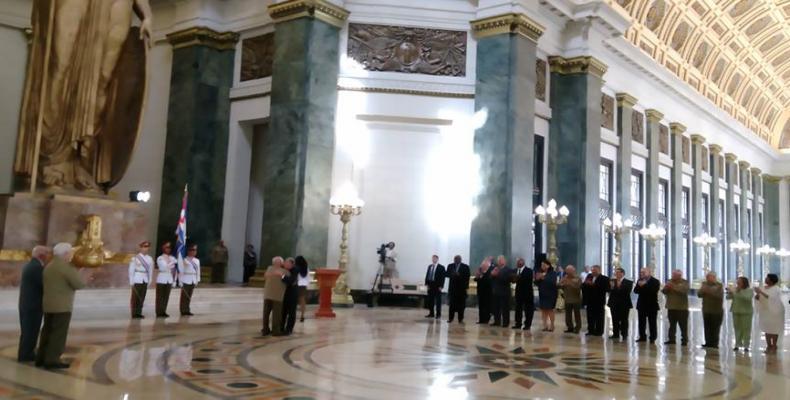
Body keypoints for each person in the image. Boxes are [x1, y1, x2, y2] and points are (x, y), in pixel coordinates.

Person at [36, 243, 85, 369]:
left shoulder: (50, 265)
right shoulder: (65, 267)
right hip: (62, 306)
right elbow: (78, 284)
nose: (70, 255)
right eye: (70, 253)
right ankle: (52, 359)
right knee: (58, 334)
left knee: (47, 331)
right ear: (65, 254)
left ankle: (41, 357)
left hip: (48, 304)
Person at [18, 246, 50, 362]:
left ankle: (25, 353)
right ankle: (26, 355)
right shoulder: (36, 268)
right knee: (30, 331)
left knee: (27, 331)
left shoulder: (30, 265)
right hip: (33, 305)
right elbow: (45, 284)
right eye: (47, 253)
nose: (48, 256)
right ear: (41, 255)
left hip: (27, 304)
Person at [754, 273, 785, 354]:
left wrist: (760, 292)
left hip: (775, 312)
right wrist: (757, 295)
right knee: (767, 328)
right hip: (765, 311)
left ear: (771, 280)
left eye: (767, 278)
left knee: (774, 329)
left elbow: (771, 297)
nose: (765, 279)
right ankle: (769, 345)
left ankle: (774, 345)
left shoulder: (776, 288)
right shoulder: (763, 288)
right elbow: (759, 298)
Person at [262, 257, 289, 336]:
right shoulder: (269, 268)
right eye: (275, 262)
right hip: (268, 294)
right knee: (266, 313)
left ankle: (276, 331)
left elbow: (288, 280)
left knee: (276, 315)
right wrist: (274, 273)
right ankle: (265, 329)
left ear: (281, 263)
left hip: (278, 295)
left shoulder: (285, 271)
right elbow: (266, 275)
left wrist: (281, 275)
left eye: (278, 262)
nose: (276, 263)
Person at [661, 269, 689, 345]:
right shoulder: (669, 281)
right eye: (672, 274)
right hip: (671, 307)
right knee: (672, 325)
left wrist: (673, 287)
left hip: (682, 308)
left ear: (679, 276)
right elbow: (663, 291)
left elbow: (684, 291)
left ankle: (684, 340)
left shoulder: (684, 282)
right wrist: (666, 287)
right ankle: (671, 339)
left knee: (683, 325)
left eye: (674, 275)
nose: (672, 276)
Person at [726, 276, 753, 352]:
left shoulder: (749, 290)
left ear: (744, 283)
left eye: (739, 282)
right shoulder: (735, 289)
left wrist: (738, 291)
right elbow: (727, 297)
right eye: (737, 281)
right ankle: (737, 344)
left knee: (746, 329)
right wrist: (730, 292)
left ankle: (746, 346)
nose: (737, 283)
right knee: (737, 328)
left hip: (746, 312)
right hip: (736, 311)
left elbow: (747, 298)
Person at [633, 267, 660, 343]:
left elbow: (653, 291)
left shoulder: (655, 281)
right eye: (641, 272)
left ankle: (652, 338)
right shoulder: (639, 280)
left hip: (652, 305)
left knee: (652, 323)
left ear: (649, 273)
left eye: (643, 272)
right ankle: (642, 337)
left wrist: (645, 285)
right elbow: (635, 291)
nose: (641, 274)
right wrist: (640, 286)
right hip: (641, 305)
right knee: (641, 322)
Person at [697, 271, 724, 349]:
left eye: (709, 277)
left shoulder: (719, 285)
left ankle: (715, 343)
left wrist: (708, 291)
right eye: (707, 277)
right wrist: (703, 290)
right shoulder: (704, 284)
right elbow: (699, 294)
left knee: (715, 327)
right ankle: (708, 342)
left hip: (716, 310)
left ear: (714, 278)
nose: (707, 279)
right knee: (707, 327)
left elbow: (718, 295)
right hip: (706, 310)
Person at [128, 241, 154, 319]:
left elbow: (150, 270)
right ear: (141, 248)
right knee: (135, 297)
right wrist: (131, 281)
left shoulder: (150, 259)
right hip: (137, 278)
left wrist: (150, 280)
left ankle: (139, 312)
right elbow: (131, 270)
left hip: (145, 279)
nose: (146, 248)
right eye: (144, 247)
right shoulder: (135, 258)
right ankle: (134, 313)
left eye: (147, 247)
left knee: (142, 297)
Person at [582, 265, 609, 336]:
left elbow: (606, 289)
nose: (593, 272)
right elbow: (584, 286)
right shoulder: (589, 276)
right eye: (592, 270)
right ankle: (591, 330)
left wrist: (593, 285)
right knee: (590, 316)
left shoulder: (604, 278)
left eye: (595, 270)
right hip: (590, 300)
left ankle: (599, 331)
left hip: (599, 300)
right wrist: (585, 284)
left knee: (599, 316)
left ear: (599, 270)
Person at [607, 267, 633, 341]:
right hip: (614, 303)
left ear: (622, 273)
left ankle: (624, 334)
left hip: (624, 304)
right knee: (615, 319)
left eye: (618, 272)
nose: (616, 274)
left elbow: (627, 292)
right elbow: (608, 290)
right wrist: (611, 287)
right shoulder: (612, 281)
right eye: (615, 272)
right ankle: (615, 334)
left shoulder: (628, 282)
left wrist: (618, 287)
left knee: (624, 320)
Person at [535, 260, 558, 332]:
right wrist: (537, 279)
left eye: (544, 265)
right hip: (542, 293)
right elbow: (536, 283)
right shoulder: (540, 272)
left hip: (551, 294)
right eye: (542, 265)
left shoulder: (553, 273)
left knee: (550, 309)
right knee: (543, 310)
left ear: (548, 265)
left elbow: (552, 282)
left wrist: (543, 278)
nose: (542, 266)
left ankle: (552, 325)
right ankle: (545, 325)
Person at [155, 242, 177, 318]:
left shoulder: (172, 258)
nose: (168, 249)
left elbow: (174, 269)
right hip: (162, 278)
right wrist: (172, 263)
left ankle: (163, 311)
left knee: (166, 297)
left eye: (169, 248)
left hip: (169, 278)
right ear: (163, 249)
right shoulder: (160, 258)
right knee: (160, 297)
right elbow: (163, 267)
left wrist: (174, 280)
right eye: (166, 248)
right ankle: (159, 312)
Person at [512, 257, 535, 331]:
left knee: (528, 310)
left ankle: (527, 324)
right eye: (518, 262)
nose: (518, 263)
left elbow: (526, 280)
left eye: (520, 262)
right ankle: (518, 323)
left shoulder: (529, 271)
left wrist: (518, 278)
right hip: (518, 293)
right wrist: (513, 278)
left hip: (527, 293)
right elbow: (512, 279)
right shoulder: (515, 270)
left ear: (523, 263)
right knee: (518, 309)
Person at [490, 255, 513, 327]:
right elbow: (491, 279)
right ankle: (497, 321)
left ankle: (505, 323)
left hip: (504, 292)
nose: (500, 262)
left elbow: (507, 279)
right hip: (496, 291)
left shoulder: (508, 269)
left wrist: (497, 275)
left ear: (504, 261)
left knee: (505, 308)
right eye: (499, 260)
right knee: (496, 308)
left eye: (501, 260)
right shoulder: (495, 268)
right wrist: (492, 274)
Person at [446, 255, 470, 323]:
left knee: (461, 305)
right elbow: (447, 274)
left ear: (460, 260)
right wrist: (452, 274)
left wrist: (459, 275)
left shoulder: (465, 267)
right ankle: (450, 318)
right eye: (455, 259)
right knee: (451, 305)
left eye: (457, 259)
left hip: (461, 289)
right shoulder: (450, 266)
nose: (456, 260)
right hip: (452, 289)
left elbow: (467, 277)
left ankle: (460, 319)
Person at [559, 265, 582, 333]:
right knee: (568, 315)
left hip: (576, 299)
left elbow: (578, 288)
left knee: (577, 314)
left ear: (573, 271)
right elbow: (559, 285)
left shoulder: (578, 278)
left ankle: (577, 328)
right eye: (567, 270)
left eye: (569, 271)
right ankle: (570, 327)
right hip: (567, 299)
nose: (568, 272)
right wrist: (562, 284)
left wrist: (570, 283)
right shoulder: (564, 277)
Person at [179, 244, 201, 316]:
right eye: (192, 250)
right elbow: (181, 271)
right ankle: (183, 310)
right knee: (184, 296)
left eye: (195, 250)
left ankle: (187, 310)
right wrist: (180, 280)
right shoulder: (184, 260)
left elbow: (198, 271)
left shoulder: (197, 261)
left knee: (189, 296)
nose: (193, 252)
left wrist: (197, 279)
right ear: (189, 251)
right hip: (186, 279)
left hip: (193, 279)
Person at [424, 255, 446, 319]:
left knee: (438, 301)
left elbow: (443, 277)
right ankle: (431, 313)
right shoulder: (430, 266)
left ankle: (438, 314)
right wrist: (426, 284)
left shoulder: (441, 267)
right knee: (430, 300)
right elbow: (427, 275)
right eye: (432, 258)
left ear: (437, 259)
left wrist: (441, 286)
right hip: (430, 285)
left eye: (434, 258)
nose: (433, 259)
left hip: (437, 286)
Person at [281, 258, 299, 335]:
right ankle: (281, 328)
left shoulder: (295, 270)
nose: (285, 264)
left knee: (291, 312)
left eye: (287, 263)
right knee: (283, 311)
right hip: (284, 293)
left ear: (292, 264)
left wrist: (282, 276)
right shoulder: (284, 270)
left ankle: (289, 329)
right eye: (285, 263)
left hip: (292, 294)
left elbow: (291, 281)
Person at [474, 257, 493, 324]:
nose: (482, 266)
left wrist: (482, 276)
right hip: (480, 291)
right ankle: (481, 319)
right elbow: (476, 279)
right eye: (482, 265)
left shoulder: (490, 271)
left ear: (487, 265)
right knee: (481, 306)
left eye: (483, 265)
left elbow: (488, 281)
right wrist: (477, 276)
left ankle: (486, 319)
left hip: (488, 292)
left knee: (487, 306)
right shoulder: (480, 271)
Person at [296, 255, 310, 323]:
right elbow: (308, 278)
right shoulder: (306, 268)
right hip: (303, 285)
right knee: (302, 301)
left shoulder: (296, 268)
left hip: (297, 285)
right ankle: (302, 315)